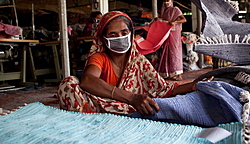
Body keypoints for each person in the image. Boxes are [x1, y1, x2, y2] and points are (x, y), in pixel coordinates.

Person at [58, 11, 197, 115]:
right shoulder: (100, 58)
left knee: (160, 102)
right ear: (104, 39)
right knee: (68, 84)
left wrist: (193, 85)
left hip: (124, 108)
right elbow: (88, 80)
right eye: (113, 35)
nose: (120, 38)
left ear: (131, 34)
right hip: (107, 105)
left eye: (124, 33)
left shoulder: (139, 61)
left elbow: (162, 89)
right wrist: (132, 98)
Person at [157, 0, 187, 81]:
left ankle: (179, 74)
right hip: (167, 34)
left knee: (175, 52)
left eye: (168, 0)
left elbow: (184, 19)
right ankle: (169, 73)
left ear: (172, 1)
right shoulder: (164, 12)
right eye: (165, 1)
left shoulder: (175, 9)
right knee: (167, 53)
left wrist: (174, 22)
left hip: (175, 34)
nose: (166, 2)